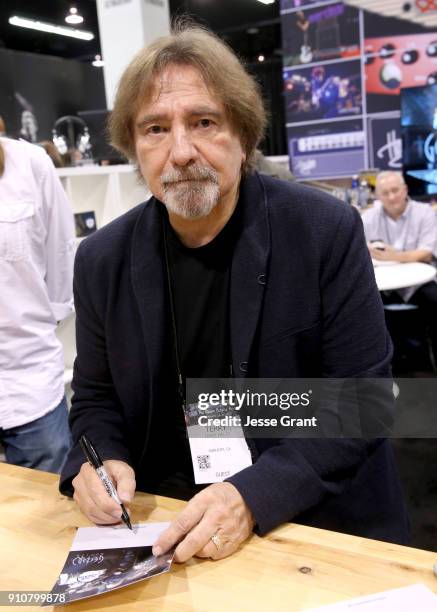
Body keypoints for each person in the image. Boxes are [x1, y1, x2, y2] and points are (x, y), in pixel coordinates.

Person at [60, 23, 409, 562]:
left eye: (203, 122)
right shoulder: (102, 260)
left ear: (243, 136)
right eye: (155, 129)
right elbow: (96, 398)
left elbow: (365, 403)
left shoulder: (322, 231)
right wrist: (99, 461)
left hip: (312, 524)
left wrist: (252, 494)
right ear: (133, 147)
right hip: (172, 525)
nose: (180, 152)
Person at [0, 137, 75, 472]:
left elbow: (61, 259)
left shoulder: (31, 164)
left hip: (30, 385)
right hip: (30, 375)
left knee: (52, 515)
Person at [362, 171, 437, 356]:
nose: (391, 197)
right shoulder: (368, 218)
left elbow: (427, 253)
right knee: (358, 310)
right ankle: (380, 367)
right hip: (382, 286)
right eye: (385, 193)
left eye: (395, 190)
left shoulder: (425, 213)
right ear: (378, 196)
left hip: (419, 284)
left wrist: (392, 256)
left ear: (405, 190)